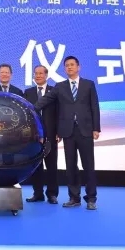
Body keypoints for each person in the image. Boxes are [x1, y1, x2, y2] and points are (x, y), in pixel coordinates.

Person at [34, 56, 100, 210]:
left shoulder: (89, 84)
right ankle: (74, 197)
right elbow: (46, 100)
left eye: (72, 65)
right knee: (71, 166)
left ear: (78, 67)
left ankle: (91, 198)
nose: (69, 67)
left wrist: (96, 128)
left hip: (85, 130)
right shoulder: (60, 86)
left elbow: (94, 107)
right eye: (67, 65)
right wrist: (30, 108)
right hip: (67, 131)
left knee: (88, 165)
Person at [23, 65, 59, 204]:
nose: (38, 76)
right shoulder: (28, 92)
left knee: (51, 165)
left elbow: (59, 112)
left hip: (51, 134)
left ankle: (52, 194)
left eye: (40, 73)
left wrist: (59, 132)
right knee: (36, 166)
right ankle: (37, 193)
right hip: (34, 135)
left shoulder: (54, 91)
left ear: (46, 75)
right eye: (36, 73)